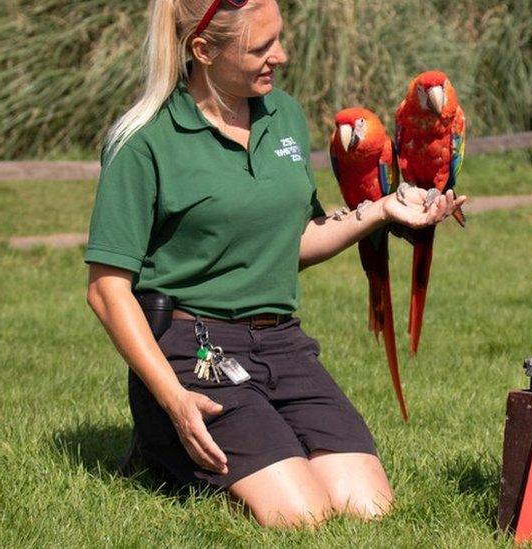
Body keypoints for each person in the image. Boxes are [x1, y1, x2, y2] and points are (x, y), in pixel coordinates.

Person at [84, 0, 465, 529]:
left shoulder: (281, 114)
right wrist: (173, 400)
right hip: (196, 352)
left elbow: (294, 240)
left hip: (284, 345)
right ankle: (164, 447)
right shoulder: (143, 139)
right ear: (203, 51)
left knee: (368, 508)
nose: (281, 56)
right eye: (261, 47)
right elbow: (107, 290)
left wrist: (381, 211)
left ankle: (253, 442)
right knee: (302, 515)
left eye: (278, 39)